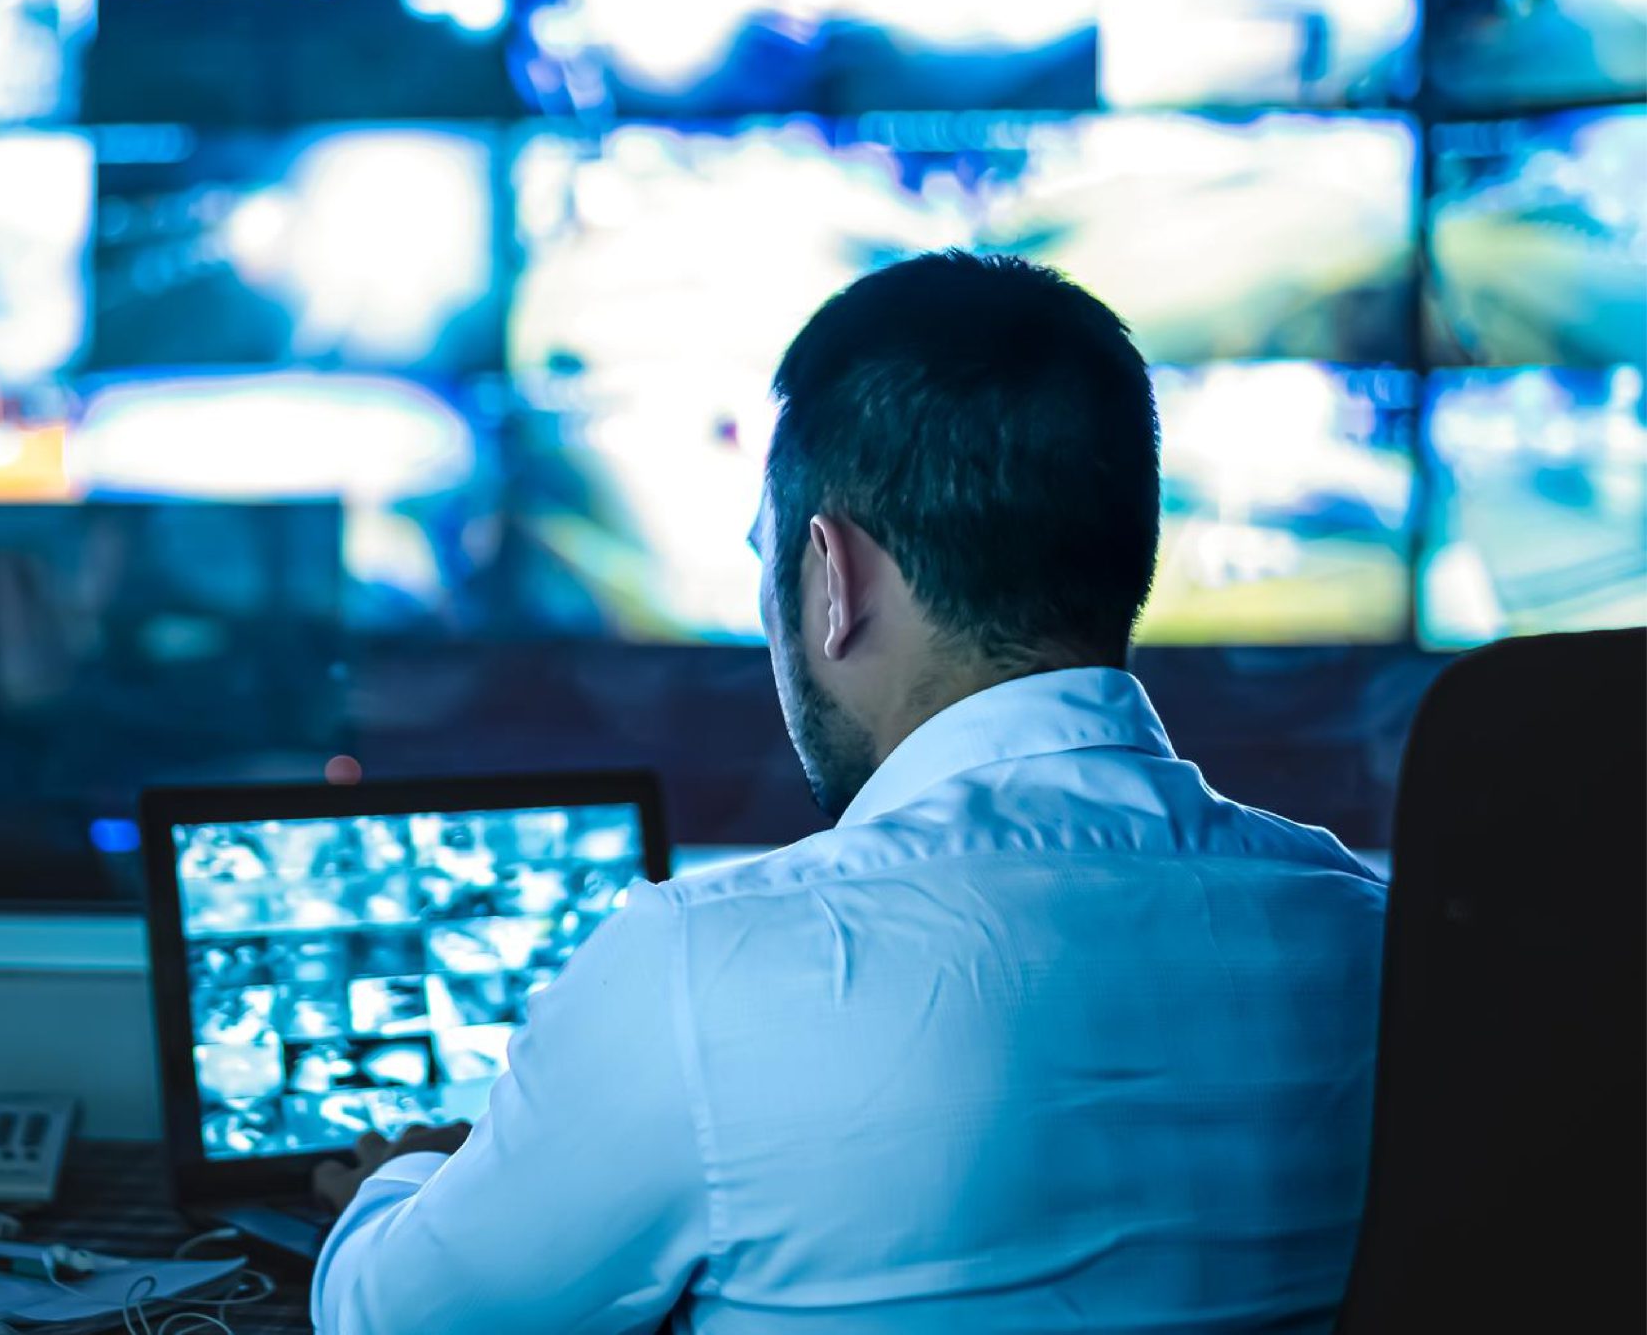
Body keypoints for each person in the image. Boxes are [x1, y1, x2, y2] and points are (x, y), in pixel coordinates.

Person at [308, 253, 1388, 1333]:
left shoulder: (699, 967)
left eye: (766, 565)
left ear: (835, 576)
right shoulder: (1372, 936)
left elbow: (392, 1321)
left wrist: (402, 1182)